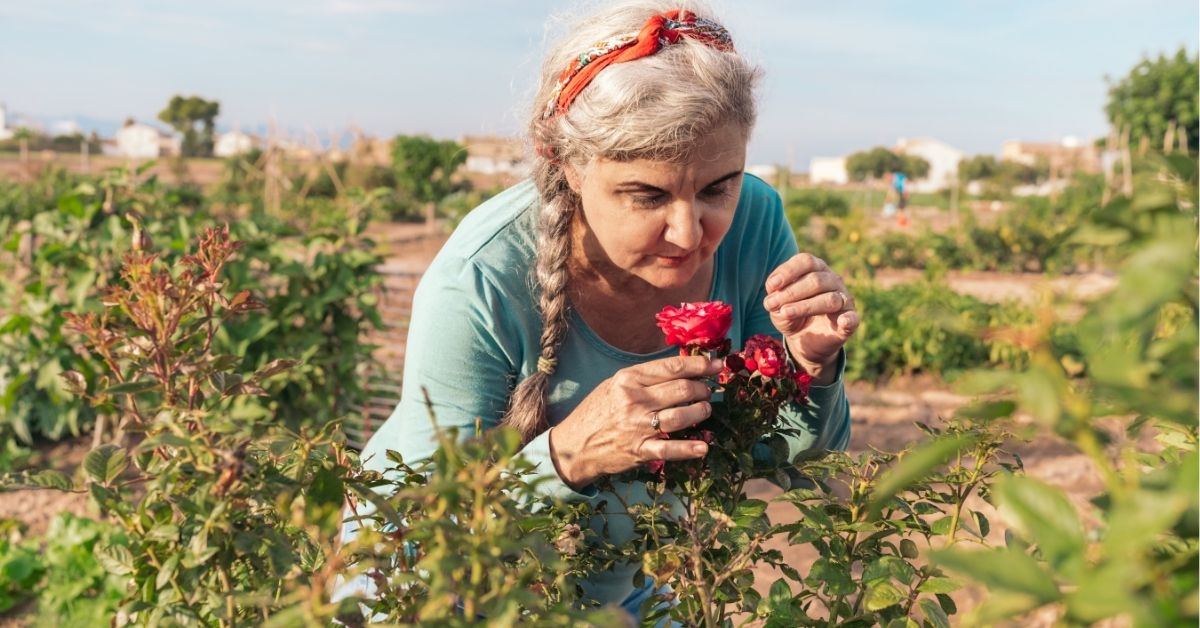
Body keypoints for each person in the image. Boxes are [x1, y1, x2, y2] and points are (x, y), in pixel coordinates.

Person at [340, 0, 859, 620]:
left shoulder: (755, 220)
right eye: (646, 194)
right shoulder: (481, 277)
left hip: (617, 575)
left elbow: (790, 460)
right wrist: (568, 455)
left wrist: (811, 366)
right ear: (564, 163)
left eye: (718, 187)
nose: (690, 234)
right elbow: (418, 536)